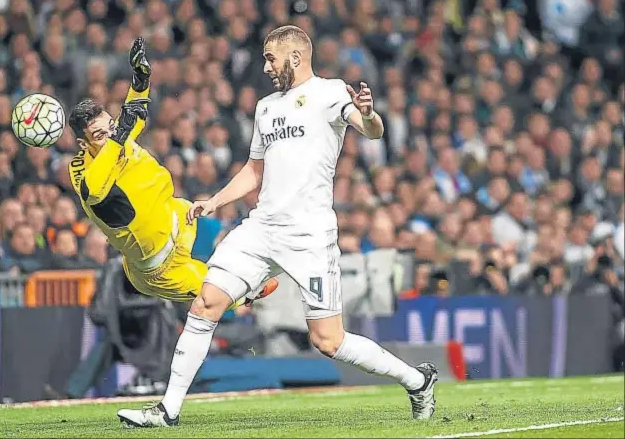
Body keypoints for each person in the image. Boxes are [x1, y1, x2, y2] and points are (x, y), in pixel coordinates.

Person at [117, 26, 438, 428]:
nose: (266, 66)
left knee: (328, 341)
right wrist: (215, 200)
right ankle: (168, 410)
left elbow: (371, 129)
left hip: (309, 234)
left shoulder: (331, 92)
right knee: (206, 303)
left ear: (297, 57)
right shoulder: (266, 107)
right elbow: (255, 169)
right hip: (261, 228)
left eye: (272, 58)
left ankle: (417, 380)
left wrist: (370, 114)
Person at [67, 38, 278, 310]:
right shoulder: (88, 176)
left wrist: (140, 83)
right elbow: (94, 190)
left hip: (177, 214)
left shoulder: (112, 139)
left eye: (110, 127)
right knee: (220, 295)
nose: (109, 136)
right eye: (99, 135)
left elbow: (135, 117)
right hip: (160, 265)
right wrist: (119, 135)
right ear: (83, 145)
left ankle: (256, 259)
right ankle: (250, 292)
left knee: (228, 233)